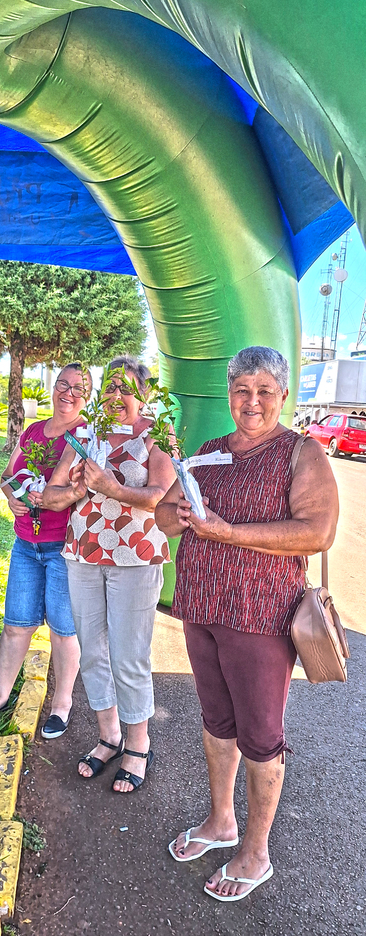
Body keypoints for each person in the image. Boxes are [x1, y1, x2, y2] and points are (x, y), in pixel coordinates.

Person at [155, 346, 339, 902]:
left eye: (264, 391)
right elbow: (164, 515)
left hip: (261, 618)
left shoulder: (300, 454)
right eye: (242, 390)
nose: (252, 401)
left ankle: (255, 853)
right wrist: (179, 515)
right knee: (216, 721)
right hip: (203, 609)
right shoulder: (210, 451)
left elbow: (317, 532)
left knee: (261, 737)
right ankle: (221, 823)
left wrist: (232, 533)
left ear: (283, 395)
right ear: (229, 395)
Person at [44, 355, 175, 793]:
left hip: (135, 558)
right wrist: (79, 486)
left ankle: (139, 745)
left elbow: (161, 496)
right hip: (82, 554)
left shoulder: (158, 434)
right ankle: (109, 736)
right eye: (111, 387)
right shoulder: (84, 434)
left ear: (144, 394)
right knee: (93, 650)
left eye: (127, 388)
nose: (117, 396)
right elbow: (53, 493)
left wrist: (111, 488)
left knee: (129, 653)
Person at [0, 364, 91, 736]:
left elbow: (72, 490)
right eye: (62, 385)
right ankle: (0, 694)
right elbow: (8, 475)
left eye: (77, 389)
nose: (67, 394)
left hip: (62, 546)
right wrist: (11, 496)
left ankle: (62, 704)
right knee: (16, 624)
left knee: (62, 630)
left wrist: (50, 497)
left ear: (87, 396)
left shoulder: (84, 434)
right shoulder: (34, 431)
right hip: (25, 542)